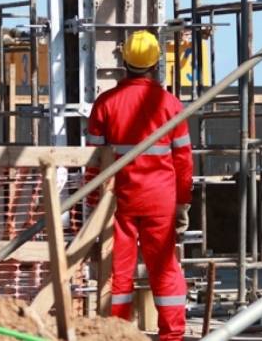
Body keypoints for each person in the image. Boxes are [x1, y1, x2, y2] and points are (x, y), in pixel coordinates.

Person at [86, 30, 192, 341]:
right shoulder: (170, 105)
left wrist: (93, 203)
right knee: (164, 269)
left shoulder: (106, 104)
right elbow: (183, 159)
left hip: (120, 199)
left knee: (120, 272)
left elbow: (92, 161)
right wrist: (182, 201)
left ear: (124, 61)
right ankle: (172, 336)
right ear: (157, 62)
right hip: (160, 198)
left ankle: (119, 334)